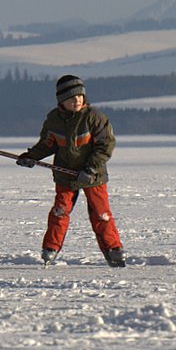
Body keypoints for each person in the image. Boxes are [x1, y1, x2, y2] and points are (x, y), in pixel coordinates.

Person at [17, 74, 125, 268]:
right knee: (60, 212)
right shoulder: (54, 119)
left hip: (94, 177)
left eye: (80, 96)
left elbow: (105, 146)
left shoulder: (95, 118)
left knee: (101, 214)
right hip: (65, 175)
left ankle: (114, 251)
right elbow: (46, 144)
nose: (77, 100)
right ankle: (50, 249)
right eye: (71, 98)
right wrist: (31, 156)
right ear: (61, 101)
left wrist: (90, 169)